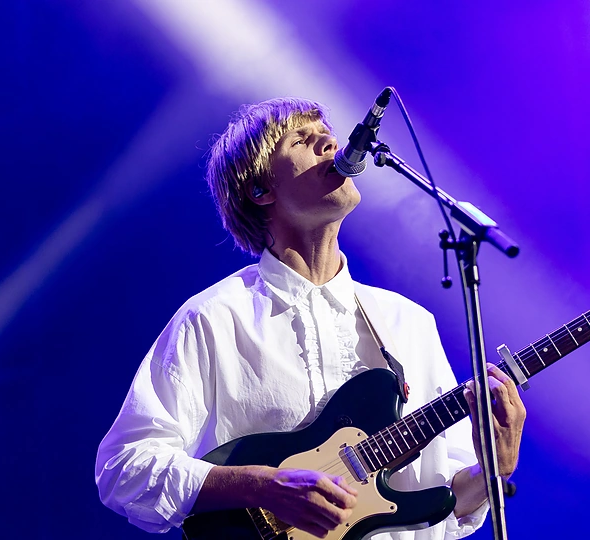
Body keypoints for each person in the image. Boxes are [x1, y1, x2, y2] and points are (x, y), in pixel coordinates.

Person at [95, 97, 526, 539]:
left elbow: (444, 504)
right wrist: (264, 486)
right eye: (302, 138)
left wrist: (495, 469)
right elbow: (123, 467)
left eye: (327, 132)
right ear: (260, 191)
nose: (328, 140)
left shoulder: (408, 323)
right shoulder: (213, 319)